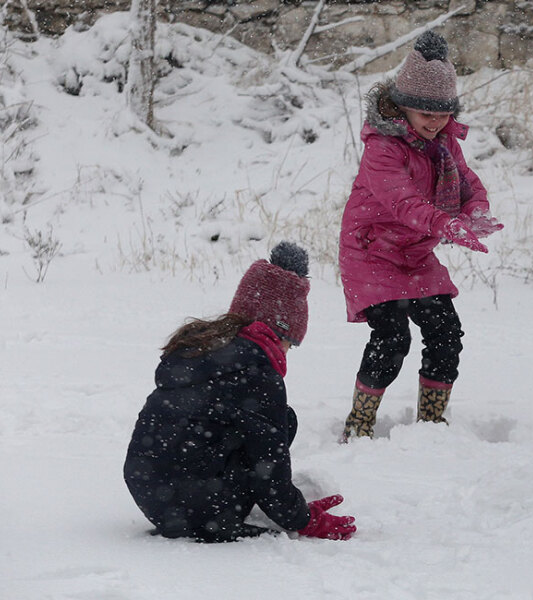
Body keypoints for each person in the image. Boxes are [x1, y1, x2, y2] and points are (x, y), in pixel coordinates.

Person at [124, 242, 357, 543]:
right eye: (291, 342)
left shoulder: (204, 350)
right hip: (199, 510)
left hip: (151, 494)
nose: (289, 351)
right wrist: (303, 519)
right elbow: (268, 473)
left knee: (276, 420)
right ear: (278, 332)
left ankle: (204, 508)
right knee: (278, 425)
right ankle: (214, 517)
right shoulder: (258, 376)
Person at [338, 30, 502, 441]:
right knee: (393, 336)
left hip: (415, 252)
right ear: (403, 106)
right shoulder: (383, 148)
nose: (435, 121)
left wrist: (474, 212)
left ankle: (432, 424)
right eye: (425, 112)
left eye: (443, 112)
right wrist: (448, 225)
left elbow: (467, 184)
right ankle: (358, 425)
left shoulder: (444, 142)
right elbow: (404, 204)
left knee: (446, 332)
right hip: (371, 251)